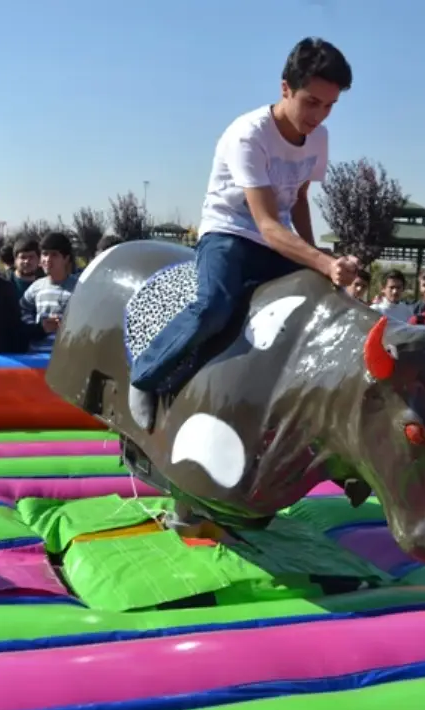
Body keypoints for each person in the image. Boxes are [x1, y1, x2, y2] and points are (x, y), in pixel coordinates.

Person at [127, 37, 358, 430]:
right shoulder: (248, 134)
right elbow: (266, 224)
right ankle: (145, 376)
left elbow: (300, 198)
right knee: (216, 305)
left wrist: (322, 259)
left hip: (277, 239)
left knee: (322, 302)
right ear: (285, 88)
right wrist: (323, 261)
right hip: (230, 232)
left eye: (330, 106)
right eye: (311, 102)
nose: (320, 115)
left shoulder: (318, 138)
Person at [20, 231, 78, 354]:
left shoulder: (80, 288)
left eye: (54, 255)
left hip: (67, 358)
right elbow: (22, 310)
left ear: (66, 258)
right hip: (37, 357)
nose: (48, 260)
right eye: (45, 254)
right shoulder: (36, 287)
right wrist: (39, 328)